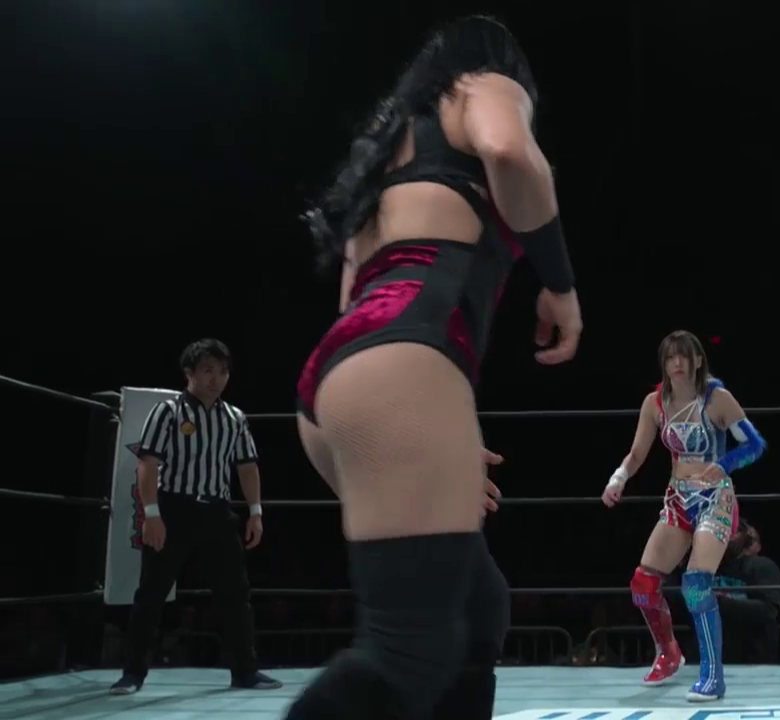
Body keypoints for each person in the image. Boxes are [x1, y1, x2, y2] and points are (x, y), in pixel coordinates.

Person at [286, 15, 581, 720]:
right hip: (404, 357)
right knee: (408, 654)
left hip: (339, 383)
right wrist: (560, 285)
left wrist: (433, 432)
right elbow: (509, 149)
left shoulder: (384, 155)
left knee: (478, 606)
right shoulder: (479, 85)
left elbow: (355, 301)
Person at [601, 330, 767, 702]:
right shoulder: (655, 404)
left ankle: (713, 676)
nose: (677, 363)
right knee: (643, 584)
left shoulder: (717, 399)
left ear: (697, 360)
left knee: (695, 583)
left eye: (683, 356)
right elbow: (637, 454)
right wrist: (618, 478)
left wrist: (725, 464)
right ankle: (668, 652)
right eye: (670, 357)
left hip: (715, 499)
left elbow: (754, 444)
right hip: (678, 499)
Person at [111, 339, 281, 695]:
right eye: (207, 370)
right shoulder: (168, 412)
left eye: (222, 371)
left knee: (235, 594)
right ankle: (132, 673)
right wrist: (152, 514)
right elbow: (147, 464)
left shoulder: (235, 417)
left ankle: (245, 671)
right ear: (189, 373)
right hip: (174, 508)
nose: (216, 379)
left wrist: (256, 512)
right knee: (152, 592)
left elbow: (247, 466)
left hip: (217, 512)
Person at [714, 521, 780, 664]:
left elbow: (769, 609)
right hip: (714, 657)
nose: (727, 535)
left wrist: (718, 602)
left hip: (754, 658)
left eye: (735, 530)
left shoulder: (761, 566)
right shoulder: (709, 567)